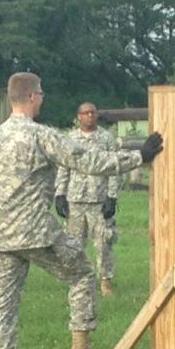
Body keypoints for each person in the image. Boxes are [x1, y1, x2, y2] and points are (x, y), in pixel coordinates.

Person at [0, 72, 163, 349]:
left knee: (3, 304)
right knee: (82, 273)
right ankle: (81, 348)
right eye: (41, 94)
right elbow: (87, 160)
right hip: (35, 231)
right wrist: (140, 156)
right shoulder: (40, 136)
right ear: (33, 96)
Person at [54, 102, 121, 297]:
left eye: (93, 112)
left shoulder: (106, 139)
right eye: (85, 113)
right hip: (75, 200)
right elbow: (63, 167)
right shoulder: (70, 139)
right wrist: (60, 194)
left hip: (99, 199)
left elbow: (114, 168)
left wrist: (112, 196)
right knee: (73, 244)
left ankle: (105, 280)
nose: (90, 116)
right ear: (79, 117)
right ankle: (76, 280)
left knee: (103, 243)